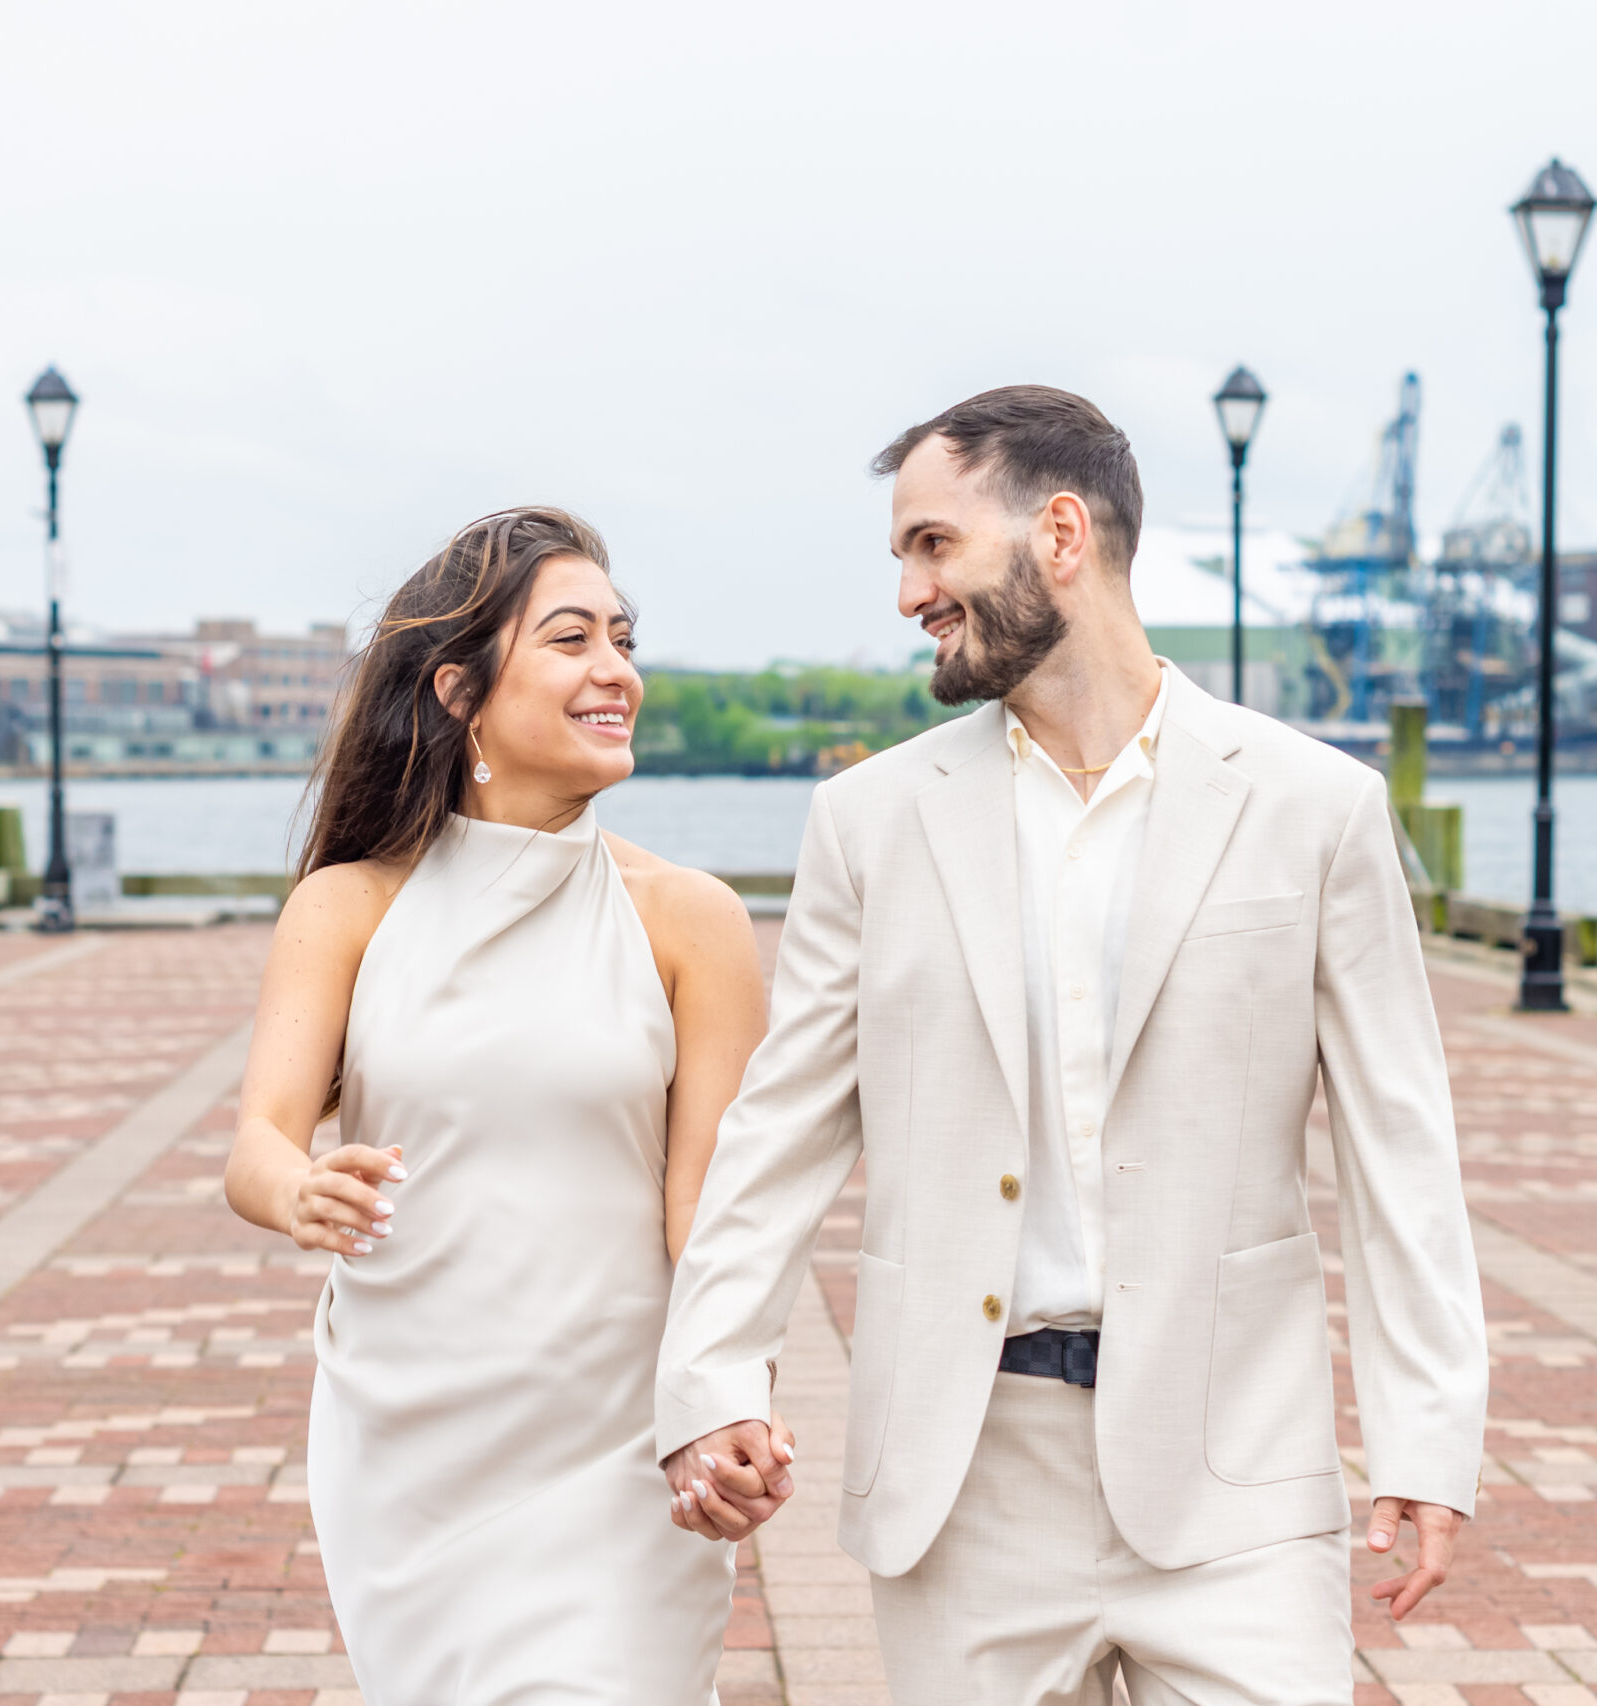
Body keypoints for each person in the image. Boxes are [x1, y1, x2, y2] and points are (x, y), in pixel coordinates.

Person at [656, 388, 1489, 1706]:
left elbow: (1402, 1151)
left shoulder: (1315, 807)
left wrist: (1427, 1436)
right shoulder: (871, 823)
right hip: (966, 1472)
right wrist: (709, 1376)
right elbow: (780, 1128)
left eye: (932, 545)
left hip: (1238, 1467)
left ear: (1058, 532)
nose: (909, 592)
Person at [224, 507, 792, 1705]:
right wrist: (300, 1188)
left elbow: (711, 1214)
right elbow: (258, 1146)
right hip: (410, 1445)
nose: (615, 671)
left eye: (623, 640)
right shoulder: (347, 906)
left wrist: (728, 1392)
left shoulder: (691, 919)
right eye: (572, 638)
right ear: (460, 692)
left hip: (614, 1449)